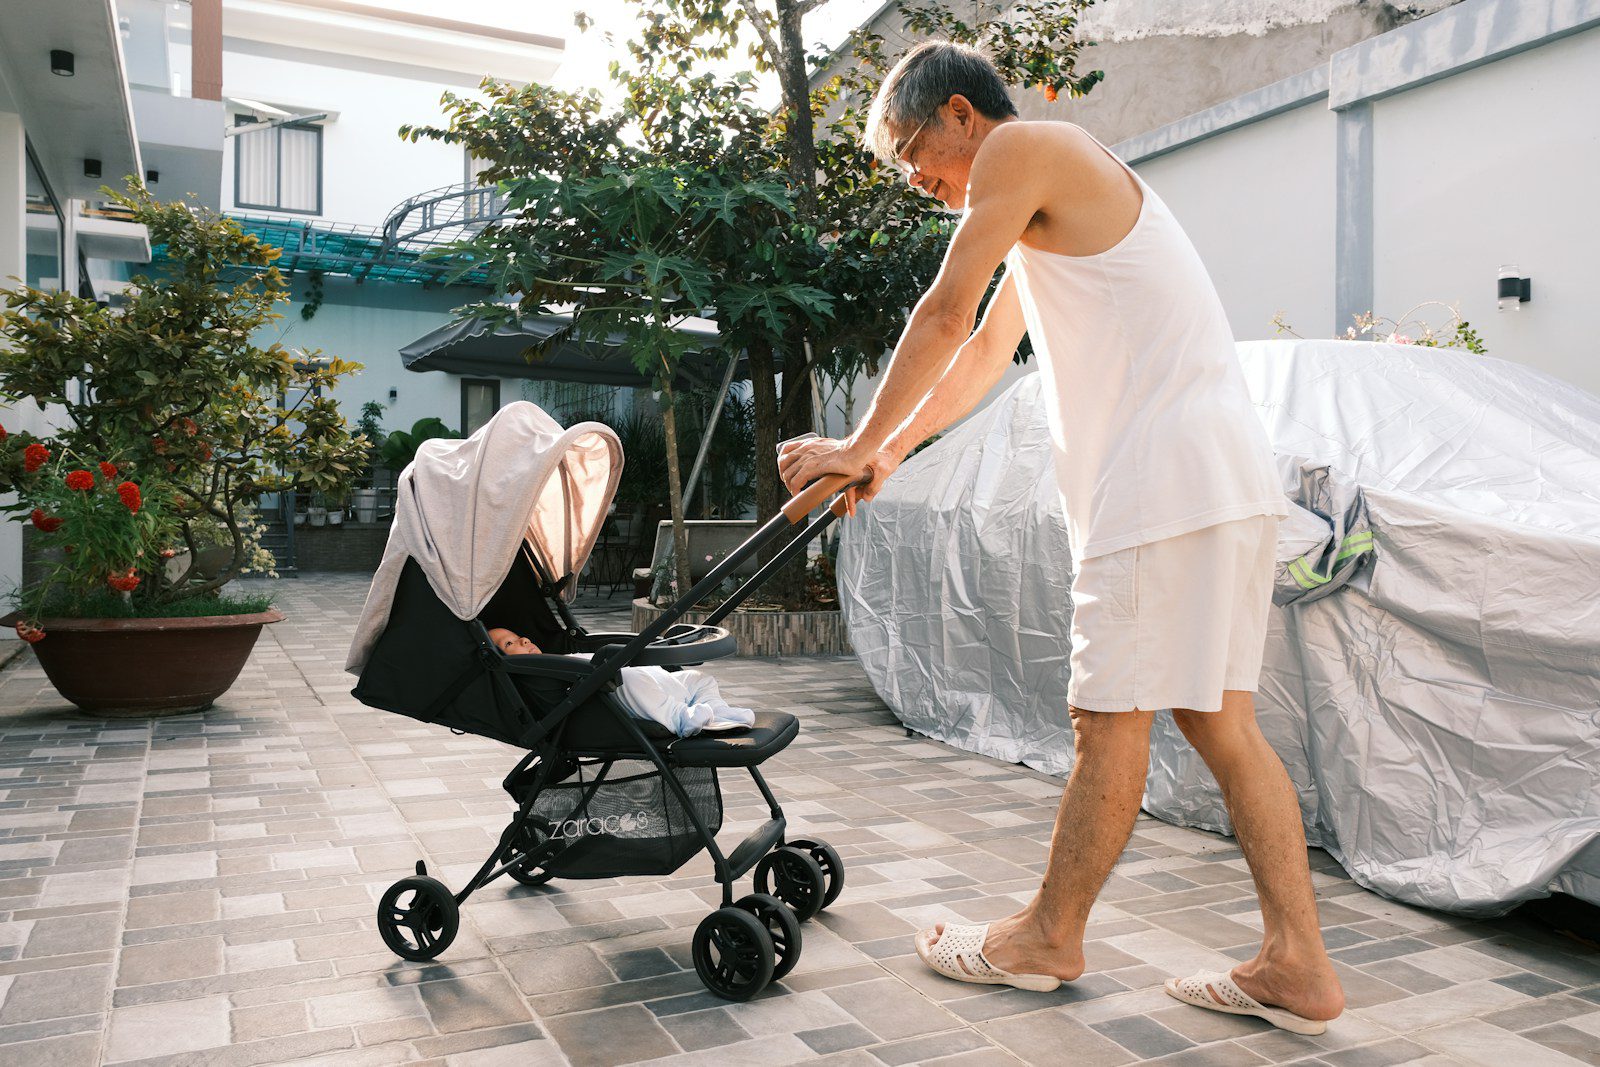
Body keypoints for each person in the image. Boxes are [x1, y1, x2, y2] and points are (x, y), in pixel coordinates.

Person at [777, 41, 1344, 1035]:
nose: (917, 178)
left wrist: (855, 439)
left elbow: (945, 311)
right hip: (1218, 476)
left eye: (913, 149)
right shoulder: (1050, 199)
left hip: (1160, 480)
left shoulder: (1022, 148)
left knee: (1106, 718)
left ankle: (1048, 933)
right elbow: (987, 351)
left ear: (961, 113)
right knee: (1220, 720)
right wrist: (888, 454)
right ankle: (1296, 963)